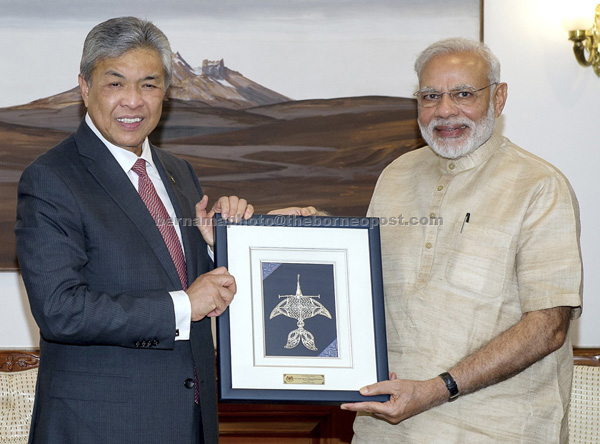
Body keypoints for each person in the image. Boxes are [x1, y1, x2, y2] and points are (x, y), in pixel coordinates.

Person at [15, 16, 312, 444]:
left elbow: (189, 280)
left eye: (149, 84)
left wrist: (229, 244)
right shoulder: (52, 179)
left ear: (166, 93)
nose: (133, 102)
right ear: (84, 87)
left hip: (190, 422)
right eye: (116, 83)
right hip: (99, 428)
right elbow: (61, 310)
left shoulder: (178, 173)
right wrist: (181, 306)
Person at [340, 37, 583, 444]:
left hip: (496, 429)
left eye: (464, 94)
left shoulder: (540, 186)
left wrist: (437, 389)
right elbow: (363, 286)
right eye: (430, 96)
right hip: (385, 428)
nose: (445, 111)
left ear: (499, 98)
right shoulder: (395, 176)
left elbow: (548, 328)